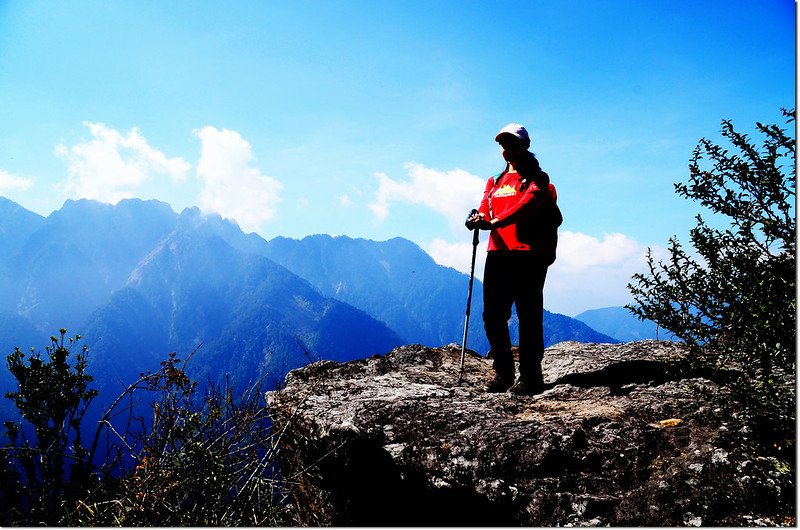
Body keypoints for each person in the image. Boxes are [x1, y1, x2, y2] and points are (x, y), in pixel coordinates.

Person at [465, 123, 562, 395]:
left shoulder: (538, 180)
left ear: (525, 146)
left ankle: (531, 376)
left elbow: (523, 209)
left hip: (529, 256)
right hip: (498, 253)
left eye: (512, 144)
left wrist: (491, 222)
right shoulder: (494, 181)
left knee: (528, 316)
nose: (507, 150)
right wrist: (478, 218)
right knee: (492, 316)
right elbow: (486, 208)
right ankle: (504, 372)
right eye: (503, 144)